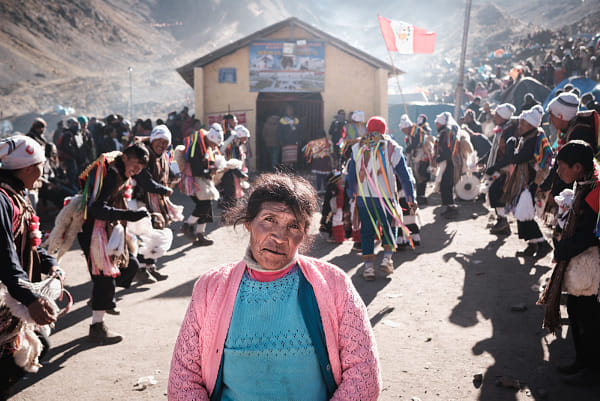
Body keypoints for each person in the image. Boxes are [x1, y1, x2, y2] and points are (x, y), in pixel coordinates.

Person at [168, 173, 382, 400]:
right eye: (269, 219)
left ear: (303, 234)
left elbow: (363, 375)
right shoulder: (211, 286)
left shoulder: (334, 284)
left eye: (294, 226)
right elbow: (184, 377)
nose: (280, 236)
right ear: (249, 223)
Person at [0, 136, 64, 398]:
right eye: (40, 165)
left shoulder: (16, 195)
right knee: (10, 360)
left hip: (13, 290)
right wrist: (30, 298)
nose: (42, 172)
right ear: (26, 168)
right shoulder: (3, 199)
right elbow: (3, 255)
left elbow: (28, 244)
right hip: (7, 294)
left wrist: (50, 264)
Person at [540, 141, 600, 385]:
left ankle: (591, 368)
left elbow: (590, 233)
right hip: (584, 261)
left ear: (577, 167)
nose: (558, 171)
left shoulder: (595, 192)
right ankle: (582, 360)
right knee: (576, 310)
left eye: (561, 167)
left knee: (588, 317)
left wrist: (565, 248)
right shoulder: (585, 184)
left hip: (593, 267)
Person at [77, 144, 151, 344]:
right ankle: (97, 327)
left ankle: (101, 297)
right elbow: (96, 209)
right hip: (93, 229)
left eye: (140, 169)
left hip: (108, 228)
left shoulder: (121, 172)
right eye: (135, 166)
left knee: (129, 266)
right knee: (104, 277)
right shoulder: (111, 174)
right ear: (125, 157)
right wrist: (129, 215)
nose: (136, 171)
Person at [346, 116, 415, 280]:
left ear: (368, 129)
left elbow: (351, 176)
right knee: (390, 227)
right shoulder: (392, 148)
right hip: (387, 199)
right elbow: (405, 177)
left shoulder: (358, 147)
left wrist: (353, 195)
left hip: (364, 199)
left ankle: (368, 268)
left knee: (367, 232)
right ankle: (386, 259)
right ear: (384, 130)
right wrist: (411, 197)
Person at [131, 125, 182, 283]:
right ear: (152, 140)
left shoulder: (163, 155)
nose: (161, 144)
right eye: (158, 141)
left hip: (156, 200)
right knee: (146, 234)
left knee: (156, 231)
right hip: (141, 200)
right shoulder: (144, 155)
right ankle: (140, 269)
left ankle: (150, 266)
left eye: (165, 142)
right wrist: (163, 189)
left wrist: (175, 176)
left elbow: (168, 172)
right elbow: (145, 181)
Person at [502, 106, 553, 258]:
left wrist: (510, 145)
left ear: (531, 125)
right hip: (525, 183)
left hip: (529, 184)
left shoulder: (531, 141)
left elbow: (517, 159)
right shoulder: (530, 138)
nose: (519, 126)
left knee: (524, 214)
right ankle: (532, 245)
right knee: (523, 214)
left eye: (522, 124)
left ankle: (543, 244)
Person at [178, 123, 224, 246]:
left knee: (206, 207)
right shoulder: (196, 146)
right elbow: (196, 169)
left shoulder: (206, 146)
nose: (215, 147)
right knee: (204, 205)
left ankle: (200, 235)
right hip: (193, 181)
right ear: (210, 138)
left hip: (202, 180)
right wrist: (210, 171)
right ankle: (187, 225)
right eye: (214, 144)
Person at [485, 103, 517, 235]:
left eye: (497, 115)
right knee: (494, 192)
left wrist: (495, 167)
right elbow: (495, 149)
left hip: (504, 169)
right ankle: (501, 221)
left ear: (503, 117)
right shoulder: (502, 129)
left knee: (495, 192)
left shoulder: (509, 131)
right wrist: (484, 161)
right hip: (498, 167)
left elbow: (509, 155)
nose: (494, 117)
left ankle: (503, 221)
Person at [399, 114, 433, 204]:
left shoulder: (418, 131)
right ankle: (419, 195)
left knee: (421, 176)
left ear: (407, 127)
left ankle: (421, 196)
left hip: (422, 157)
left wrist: (410, 148)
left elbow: (418, 143)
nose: (403, 132)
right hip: (416, 157)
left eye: (403, 130)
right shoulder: (412, 132)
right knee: (417, 176)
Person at [434, 112, 461, 217]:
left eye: (437, 123)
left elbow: (448, 151)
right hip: (446, 162)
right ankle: (449, 207)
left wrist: (439, 159)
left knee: (446, 185)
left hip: (449, 163)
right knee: (445, 185)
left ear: (442, 123)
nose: (436, 125)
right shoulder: (444, 133)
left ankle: (452, 208)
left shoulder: (446, 133)